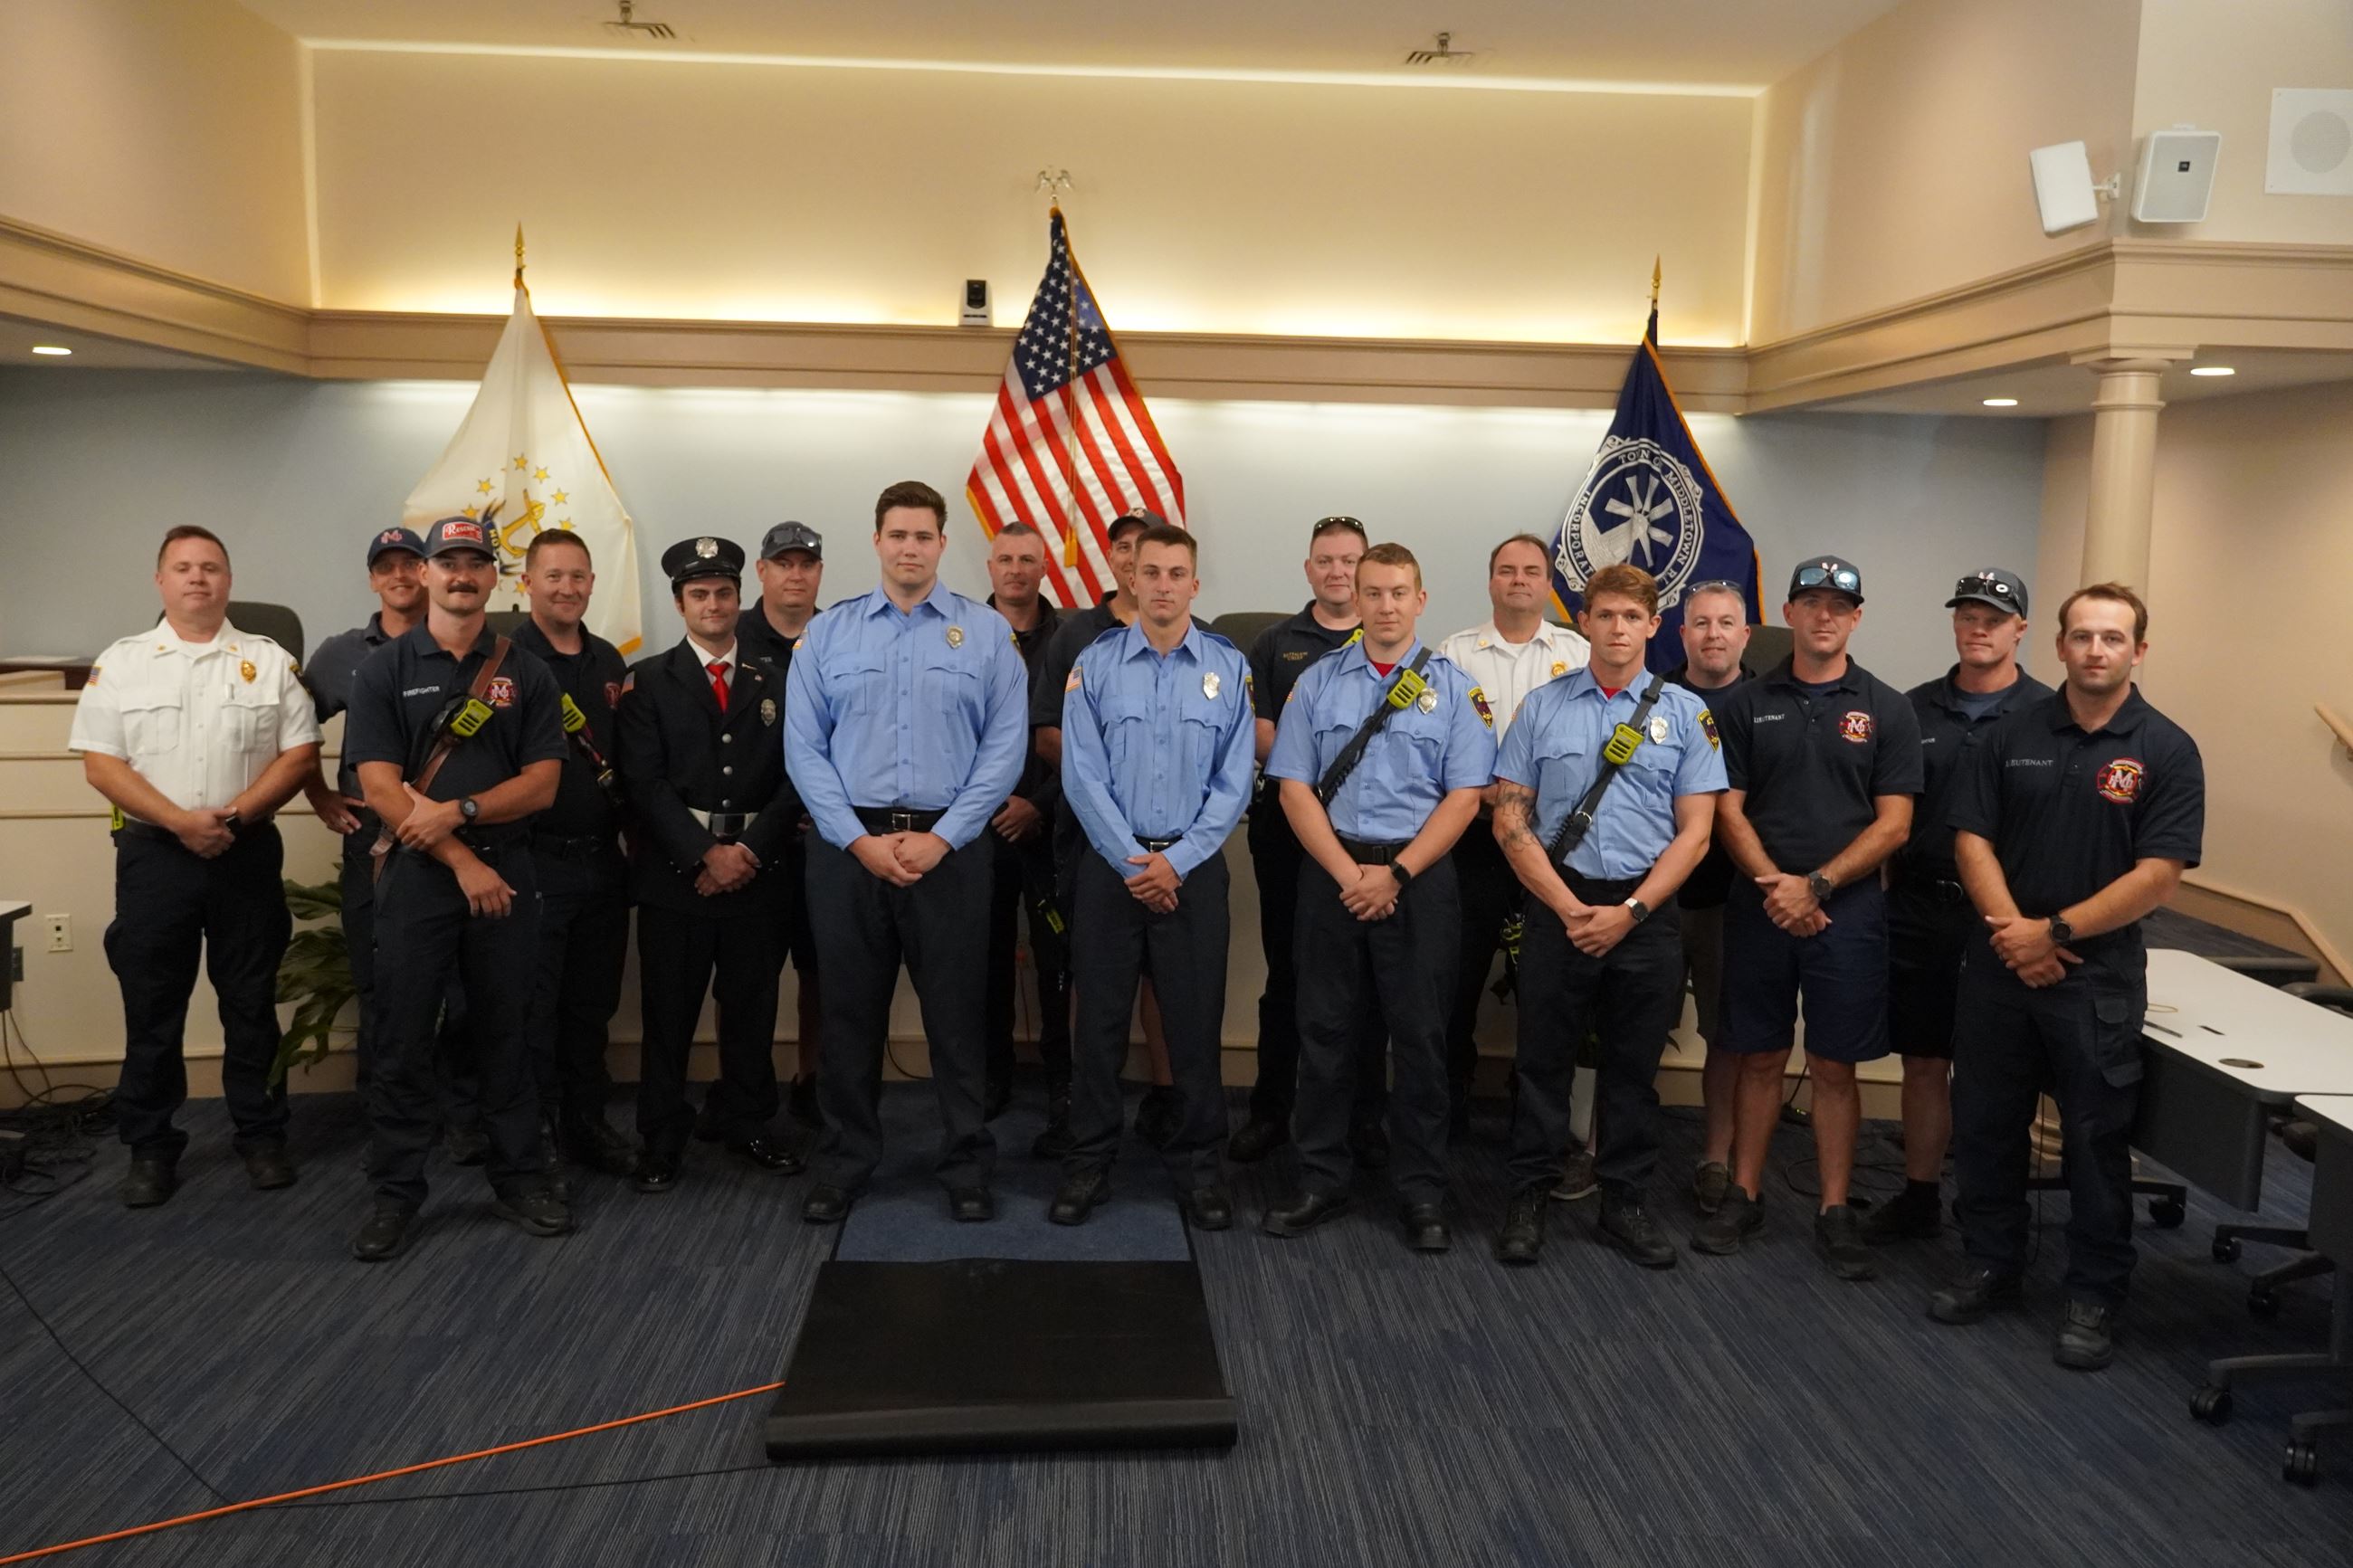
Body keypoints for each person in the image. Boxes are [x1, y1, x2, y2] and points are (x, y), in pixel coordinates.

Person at [1933, 584, 2203, 1371]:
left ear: (2138, 652)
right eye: (2081, 636)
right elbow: (1970, 840)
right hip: (1997, 964)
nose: (2095, 650)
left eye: (2112, 638)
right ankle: (1991, 1261)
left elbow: (2159, 876)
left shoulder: (2167, 748)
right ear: (2057, 646)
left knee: (2093, 1140)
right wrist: (2016, 935)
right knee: (1984, 1125)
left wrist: (2052, 933)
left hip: (2098, 975)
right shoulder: (2008, 732)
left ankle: (2094, 1291)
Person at [786, 480, 1029, 1224]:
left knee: (958, 1017)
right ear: (877, 541)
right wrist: (857, 840)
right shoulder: (829, 635)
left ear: (943, 545)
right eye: (897, 535)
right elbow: (804, 749)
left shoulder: (986, 635)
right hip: (847, 847)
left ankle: (965, 1161)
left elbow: (1005, 747)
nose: (910, 548)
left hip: (949, 850)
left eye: (924, 536)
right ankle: (848, 1159)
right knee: (850, 1014)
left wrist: (943, 837)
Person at [70, 525, 321, 1207]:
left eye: (211, 567)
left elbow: (300, 755)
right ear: (160, 581)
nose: (197, 578)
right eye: (182, 568)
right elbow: (101, 763)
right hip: (155, 857)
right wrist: (181, 821)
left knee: (250, 1002)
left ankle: (262, 1136)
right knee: (152, 1007)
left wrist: (233, 818)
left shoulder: (268, 660)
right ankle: (150, 1148)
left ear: (229, 581)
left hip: (246, 851)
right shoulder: (123, 662)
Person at [341, 514, 570, 1259]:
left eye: (476, 562)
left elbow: (542, 784)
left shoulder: (526, 670)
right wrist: (462, 858)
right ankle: (396, 1193)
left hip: (510, 870)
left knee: (508, 1032)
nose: (462, 574)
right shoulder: (384, 668)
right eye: (449, 562)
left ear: (493, 576)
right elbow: (377, 784)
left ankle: (519, 1178)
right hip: (421, 879)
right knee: (404, 1037)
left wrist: (465, 811)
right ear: (426, 573)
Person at [1260, 542, 1495, 1251]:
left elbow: (1465, 796)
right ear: (1354, 601)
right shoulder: (1318, 685)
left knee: (1422, 1040)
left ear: (1421, 601)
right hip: (1332, 876)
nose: (1386, 605)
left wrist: (1394, 875)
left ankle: (1422, 1190)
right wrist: (1347, 873)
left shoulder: (1455, 688)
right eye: (1373, 593)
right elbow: (1292, 787)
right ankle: (1320, 1178)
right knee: (1325, 1034)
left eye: (1399, 593)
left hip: (1417, 882)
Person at [1693, 556, 1920, 1279]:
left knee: (1832, 1063)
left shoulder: (1888, 706)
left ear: (1856, 618)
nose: (1824, 616)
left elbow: (1895, 824)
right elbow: (1725, 807)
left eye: (1839, 606)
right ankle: (1745, 1189)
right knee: (1757, 1055)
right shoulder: (1743, 703)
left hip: (1847, 914)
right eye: (1811, 603)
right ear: (1786, 614)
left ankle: (1832, 1208)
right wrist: (1776, 886)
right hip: (1760, 906)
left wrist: (1815, 886)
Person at [1489, 564, 1722, 1268]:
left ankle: (1624, 1200)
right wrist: (1566, 907)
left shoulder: (1685, 714)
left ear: (1654, 626)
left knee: (1632, 1067)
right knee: (1541, 1062)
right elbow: (1509, 819)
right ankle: (1529, 1194)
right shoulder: (1543, 707)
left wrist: (1629, 911)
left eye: (1632, 617)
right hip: (1560, 900)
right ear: (1583, 623)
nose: (1618, 628)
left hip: (1644, 915)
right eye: (1605, 615)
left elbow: (1697, 832)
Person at [1050, 523, 1254, 1229]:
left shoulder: (1228, 667)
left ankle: (1200, 1171)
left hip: (1192, 870)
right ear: (1130, 580)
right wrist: (1136, 861)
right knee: (1099, 1026)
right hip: (1113, 870)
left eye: (1177, 573)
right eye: (1151, 572)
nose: (1163, 584)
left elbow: (1234, 781)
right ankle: (1088, 1164)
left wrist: (1178, 860)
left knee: (1195, 1026)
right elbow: (1082, 773)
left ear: (1195, 585)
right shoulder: (1096, 664)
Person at [1862, 568, 2048, 1246]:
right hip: (1920, 906)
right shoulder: (1911, 709)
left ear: (2020, 630)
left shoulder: (2046, 715)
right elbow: (1888, 809)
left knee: (1994, 1067)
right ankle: (1918, 1195)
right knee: (1922, 1058)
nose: (1979, 628)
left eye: (1994, 618)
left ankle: (1988, 1207)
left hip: (2002, 914)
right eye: (1968, 615)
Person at [617, 535, 805, 1193]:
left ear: (739, 597)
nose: (714, 604)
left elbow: (796, 778)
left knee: (751, 1008)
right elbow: (644, 783)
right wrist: (703, 854)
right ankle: (661, 1137)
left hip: (758, 873)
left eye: (724, 592)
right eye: (700, 594)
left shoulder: (777, 679)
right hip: (680, 877)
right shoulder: (647, 681)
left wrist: (747, 852)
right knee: (669, 1015)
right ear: (680, 603)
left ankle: (749, 1122)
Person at [301, 527, 481, 1155]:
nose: (401, 574)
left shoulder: (477, 650)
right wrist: (318, 792)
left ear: (428, 574)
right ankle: (386, 1118)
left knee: (465, 987)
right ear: (374, 579)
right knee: (382, 984)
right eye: (389, 566)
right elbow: (292, 723)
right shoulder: (343, 653)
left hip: (462, 837)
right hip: (378, 846)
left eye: (412, 562)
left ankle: (463, 1116)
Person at [1229, 515, 1387, 1167]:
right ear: (1308, 569)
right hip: (1287, 829)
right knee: (1289, 972)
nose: (1338, 571)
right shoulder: (1274, 642)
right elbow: (1260, 732)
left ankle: (1362, 1118)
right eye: (1325, 560)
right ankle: (1271, 1109)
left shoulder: (1392, 639)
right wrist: (1316, 766)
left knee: (1368, 980)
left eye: (1351, 560)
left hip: (1368, 836)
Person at [1031, 508, 1183, 1146]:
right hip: (1092, 839)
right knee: (1090, 978)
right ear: (1118, 560)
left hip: (1175, 852)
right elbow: (1048, 735)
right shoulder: (1075, 637)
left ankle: (1168, 1098)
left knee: (1167, 979)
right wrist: (1111, 797)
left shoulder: (1201, 645)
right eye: (1127, 551)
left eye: (1156, 558)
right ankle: (1077, 1100)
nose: (1138, 564)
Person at [1435, 533, 1590, 1141]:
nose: (1519, 579)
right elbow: (1436, 752)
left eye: (1531, 570)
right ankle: (1448, 1112)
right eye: (1506, 570)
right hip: (1470, 843)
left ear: (1547, 580)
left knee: (1548, 993)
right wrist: (1492, 796)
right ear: (1491, 581)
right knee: (1457, 983)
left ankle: (1539, 1125)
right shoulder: (1453, 654)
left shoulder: (1580, 654)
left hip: (1553, 847)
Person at [508, 530, 636, 1181]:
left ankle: (586, 1122)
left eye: (578, 577)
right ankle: (536, 1135)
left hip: (601, 862)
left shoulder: (609, 661)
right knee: (534, 1007)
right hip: (532, 860)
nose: (567, 588)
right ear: (526, 582)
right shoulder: (501, 660)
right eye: (553, 576)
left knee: (592, 1005)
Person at [1664, 581, 1758, 1215]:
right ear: (1682, 632)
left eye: (1727, 622)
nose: (1713, 633)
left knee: (1727, 1036)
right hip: (1656, 895)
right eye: (1701, 622)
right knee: (1630, 1028)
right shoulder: (1652, 696)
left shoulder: (1769, 705)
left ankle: (1716, 1156)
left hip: (1734, 901)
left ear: (1746, 634)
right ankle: (1601, 1144)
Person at [981, 521, 1072, 1145]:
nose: (1017, 569)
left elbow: (1088, 744)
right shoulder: (959, 631)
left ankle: (1063, 1081)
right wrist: (991, 805)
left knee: (1059, 961)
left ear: (1044, 568)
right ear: (990, 566)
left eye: (1028, 560)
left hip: (1056, 825)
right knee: (982, 959)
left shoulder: (1076, 638)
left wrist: (1037, 804)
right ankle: (990, 1076)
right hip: (979, 828)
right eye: (1006, 559)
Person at [733, 520, 826, 1128]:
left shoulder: (842, 634)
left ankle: (812, 1080)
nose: (795, 574)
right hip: (753, 840)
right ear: (761, 572)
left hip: (824, 838)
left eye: (806, 563)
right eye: (782, 563)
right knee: (749, 976)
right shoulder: (727, 633)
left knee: (823, 970)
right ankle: (744, 1088)